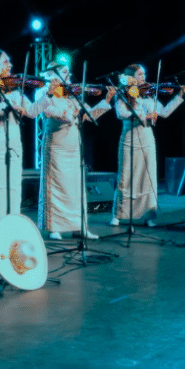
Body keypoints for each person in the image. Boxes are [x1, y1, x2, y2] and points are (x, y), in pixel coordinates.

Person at [0, 50, 52, 257]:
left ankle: (9, 237)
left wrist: (48, 93)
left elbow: (32, 111)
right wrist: (5, 107)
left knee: (11, 189)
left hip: (11, 142)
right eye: (5, 62)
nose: (10, 65)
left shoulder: (13, 89)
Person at [39, 63, 116, 240]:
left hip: (74, 146)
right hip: (56, 145)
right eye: (63, 72)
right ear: (52, 74)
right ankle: (54, 227)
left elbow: (88, 115)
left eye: (68, 72)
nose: (68, 75)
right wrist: (70, 113)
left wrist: (106, 100)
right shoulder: (45, 91)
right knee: (56, 186)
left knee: (75, 188)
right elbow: (49, 112)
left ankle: (78, 226)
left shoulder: (71, 94)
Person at [110, 63, 185, 227]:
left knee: (148, 177)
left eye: (144, 74)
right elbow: (121, 114)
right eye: (139, 75)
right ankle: (118, 214)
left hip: (147, 139)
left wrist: (179, 96)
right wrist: (144, 115)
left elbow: (164, 112)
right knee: (126, 175)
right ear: (131, 77)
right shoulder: (124, 94)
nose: (143, 78)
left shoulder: (148, 95)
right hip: (129, 139)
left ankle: (148, 215)